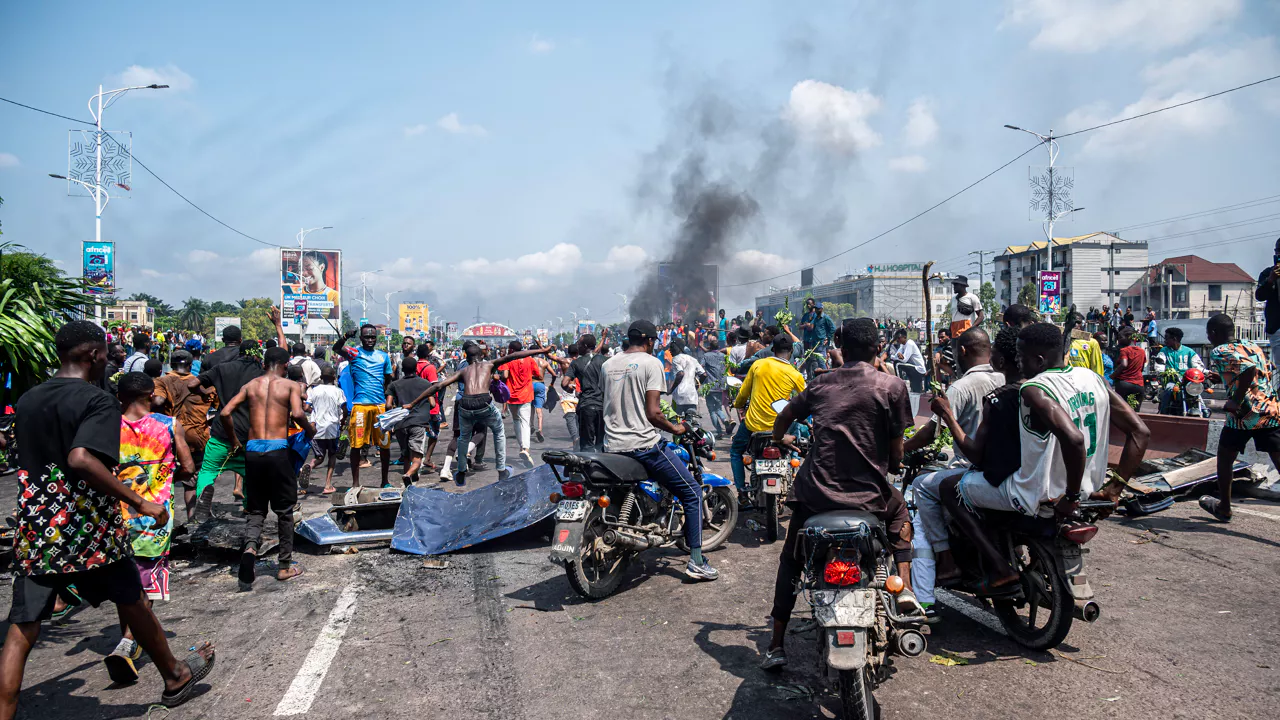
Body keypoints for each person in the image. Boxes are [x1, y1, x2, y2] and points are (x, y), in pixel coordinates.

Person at [2, 321, 215, 715]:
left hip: (37, 529)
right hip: (88, 527)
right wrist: (140, 501)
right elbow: (81, 459)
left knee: (24, 624)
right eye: (103, 354)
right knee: (132, 598)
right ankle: (174, 675)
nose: (106, 360)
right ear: (93, 355)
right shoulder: (97, 401)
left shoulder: (29, 399)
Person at [936, 323, 1149, 590]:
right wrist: (1114, 488)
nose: (1018, 362)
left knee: (950, 488)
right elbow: (1140, 431)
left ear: (1038, 359)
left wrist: (1070, 497)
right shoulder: (1093, 378)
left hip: (1038, 494)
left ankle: (999, 567)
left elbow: (1073, 439)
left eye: (1021, 355)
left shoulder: (1034, 388)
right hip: (1090, 492)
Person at [761, 318, 917, 670]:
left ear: (841, 350)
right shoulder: (892, 386)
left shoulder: (819, 384)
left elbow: (784, 417)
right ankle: (904, 588)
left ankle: (775, 644)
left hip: (815, 494)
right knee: (900, 512)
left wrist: (777, 440)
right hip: (870, 498)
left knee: (791, 561)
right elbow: (896, 455)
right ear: (878, 349)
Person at [601, 320, 718, 581]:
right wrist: (675, 428)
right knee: (692, 492)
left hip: (611, 447)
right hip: (643, 446)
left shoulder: (608, 364)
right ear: (650, 341)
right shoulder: (651, 363)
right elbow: (654, 413)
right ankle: (697, 561)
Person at [104, 372, 197, 683]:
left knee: (123, 580)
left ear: (120, 397)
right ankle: (129, 643)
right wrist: (165, 480)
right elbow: (188, 468)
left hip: (118, 514)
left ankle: (127, 642)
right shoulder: (168, 425)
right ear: (151, 395)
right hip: (155, 515)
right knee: (146, 584)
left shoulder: (106, 427)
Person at [220, 347, 316, 585]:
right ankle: (284, 566)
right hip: (277, 450)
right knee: (284, 510)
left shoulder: (251, 386)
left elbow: (225, 412)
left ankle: (251, 549)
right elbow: (297, 413)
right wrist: (310, 430)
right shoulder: (290, 385)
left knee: (256, 509)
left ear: (264, 364)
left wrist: (234, 440)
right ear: (284, 366)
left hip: (253, 451)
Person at [406, 341, 552, 485]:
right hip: (483, 403)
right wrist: (542, 351)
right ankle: (501, 471)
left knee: (463, 437)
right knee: (499, 432)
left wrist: (413, 403)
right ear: (481, 355)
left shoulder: (463, 371)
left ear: (467, 357)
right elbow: (517, 355)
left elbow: (438, 385)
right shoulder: (489, 364)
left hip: (466, 404)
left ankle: (461, 470)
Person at [187, 309, 287, 511]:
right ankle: (250, 509)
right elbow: (282, 353)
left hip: (222, 432)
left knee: (208, 470)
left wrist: (207, 392)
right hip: (249, 435)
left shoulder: (221, 368)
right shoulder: (261, 374)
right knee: (251, 475)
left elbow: (191, 385)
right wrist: (278, 325)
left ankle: (203, 495)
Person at [1199, 314, 1280, 522]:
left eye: (1209, 334)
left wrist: (1235, 399)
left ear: (1215, 333)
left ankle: (1224, 507)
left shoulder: (1220, 350)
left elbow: (1248, 370)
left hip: (1244, 413)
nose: (1209, 339)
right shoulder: (1251, 345)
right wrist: (1224, 377)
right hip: (1269, 408)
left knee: (1225, 457)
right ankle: (1224, 506)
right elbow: (1263, 369)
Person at [906, 327, 1004, 464]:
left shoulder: (961, 387)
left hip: (969, 466)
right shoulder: (1005, 379)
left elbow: (931, 432)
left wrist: (902, 448)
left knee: (920, 483)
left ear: (963, 351)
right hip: (1000, 464)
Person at [730, 334, 807, 496]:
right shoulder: (795, 374)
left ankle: (741, 493)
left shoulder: (758, 365)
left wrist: (737, 404)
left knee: (736, 451)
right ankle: (793, 474)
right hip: (781, 426)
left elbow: (743, 393)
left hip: (754, 425)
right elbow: (807, 399)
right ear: (792, 351)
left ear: (772, 349)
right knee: (797, 441)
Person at [152, 350, 214, 521]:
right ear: (190, 365)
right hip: (198, 436)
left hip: (171, 435)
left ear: (171, 364)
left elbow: (157, 402)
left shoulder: (162, 381)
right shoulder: (201, 383)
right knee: (197, 477)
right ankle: (196, 518)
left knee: (166, 477)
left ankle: (172, 517)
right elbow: (218, 402)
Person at [333, 324, 394, 488]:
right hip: (360, 406)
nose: (370, 340)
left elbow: (389, 380)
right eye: (367, 337)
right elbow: (336, 348)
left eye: (373, 337)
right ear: (361, 338)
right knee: (356, 445)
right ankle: (355, 484)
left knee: (385, 445)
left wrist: (390, 401)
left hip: (379, 406)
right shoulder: (354, 353)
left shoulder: (383, 356)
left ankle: (385, 481)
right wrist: (346, 336)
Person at [298, 364, 347, 495]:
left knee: (319, 456)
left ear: (321, 377)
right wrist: (343, 420)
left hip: (317, 427)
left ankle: (309, 466)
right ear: (334, 377)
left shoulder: (314, 390)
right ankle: (328, 485)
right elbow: (345, 408)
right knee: (332, 455)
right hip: (332, 427)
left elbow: (305, 406)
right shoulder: (338, 391)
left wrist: (314, 411)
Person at [388, 357, 436, 485]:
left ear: (402, 369)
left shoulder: (394, 384)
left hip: (400, 424)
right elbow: (432, 404)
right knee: (417, 457)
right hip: (418, 423)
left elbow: (388, 405)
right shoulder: (426, 384)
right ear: (416, 369)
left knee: (405, 456)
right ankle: (409, 474)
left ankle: (408, 484)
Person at [563, 332, 608, 453]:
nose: (577, 346)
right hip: (602, 406)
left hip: (586, 406)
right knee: (601, 443)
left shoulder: (576, 363)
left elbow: (564, 383)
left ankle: (588, 469)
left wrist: (570, 389)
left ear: (586, 345)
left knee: (586, 445)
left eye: (579, 344)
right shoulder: (604, 361)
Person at [502, 340, 542, 468]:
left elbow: (505, 375)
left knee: (516, 421)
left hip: (511, 395)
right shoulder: (529, 359)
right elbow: (539, 375)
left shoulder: (509, 360)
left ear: (512, 350)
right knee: (525, 422)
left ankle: (522, 446)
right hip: (526, 394)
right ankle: (525, 449)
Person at [1156, 327, 1205, 413]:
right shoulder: (1164, 351)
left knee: (1197, 392)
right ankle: (1163, 411)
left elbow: (1198, 366)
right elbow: (1160, 364)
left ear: (1174, 339)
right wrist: (1160, 371)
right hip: (1172, 381)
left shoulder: (1189, 351)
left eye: (1167, 338)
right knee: (1169, 389)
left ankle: (1204, 410)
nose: (1165, 341)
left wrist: (1206, 372)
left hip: (1188, 381)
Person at [1254, 237, 1280, 385]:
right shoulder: (1268, 273)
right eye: (1278, 252)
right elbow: (1260, 296)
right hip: (1277, 327)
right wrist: (1271, 280)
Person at [699, 337, 730, 439]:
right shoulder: (723, 355)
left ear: (709, 347)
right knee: (718, 408)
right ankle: (724, 419)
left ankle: (719, 432)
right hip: (720, 385)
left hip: (710, 385)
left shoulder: (706, 356)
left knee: (712, 410)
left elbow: (700, 367)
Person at [799, 300, 836, 377]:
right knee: (816, 361)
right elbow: (811, 327)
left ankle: (827, 377)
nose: (816, 310)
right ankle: (818, 377)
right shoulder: (815, 319)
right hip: (814, 343)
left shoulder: (825, 317)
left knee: (821, 361)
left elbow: (833, 328)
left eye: (818, 309)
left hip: (821, 343)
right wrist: (807, 325)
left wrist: (827, 338)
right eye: (815, 308)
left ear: (821, 309)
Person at [669, 340, 705, 417]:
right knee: (691, 421)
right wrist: (697, 386)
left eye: (672, 348)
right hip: (692, 395)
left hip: (679, 395)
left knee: (675, 419)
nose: (670, 350)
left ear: (679, 348)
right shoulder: (693, 359)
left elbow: (680, 374)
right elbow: (704, 374)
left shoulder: (676, 359)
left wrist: (671, 390)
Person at [1112, 332, 1146, 410]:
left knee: (1121, 410)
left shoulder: (1124, 350)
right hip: (1139, 384)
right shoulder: (1142, 351)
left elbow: (1124, 364)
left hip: (1124, 383)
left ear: (1128, 337)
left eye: (1121, 337)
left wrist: (1113, 376)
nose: (1119, 340)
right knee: (1136, 412)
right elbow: (1142, 368)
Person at [887, 328, 927, 392]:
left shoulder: (909, 343)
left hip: (919, 369)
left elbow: (904, 360)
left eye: (899, 338)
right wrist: (893, 356)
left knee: (897, 364)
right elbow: (895, 357)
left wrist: (898, 357)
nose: (897, 340)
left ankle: (899, 385)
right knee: (915, 391)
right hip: (913, 368)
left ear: (904, 337)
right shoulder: (902, 345)